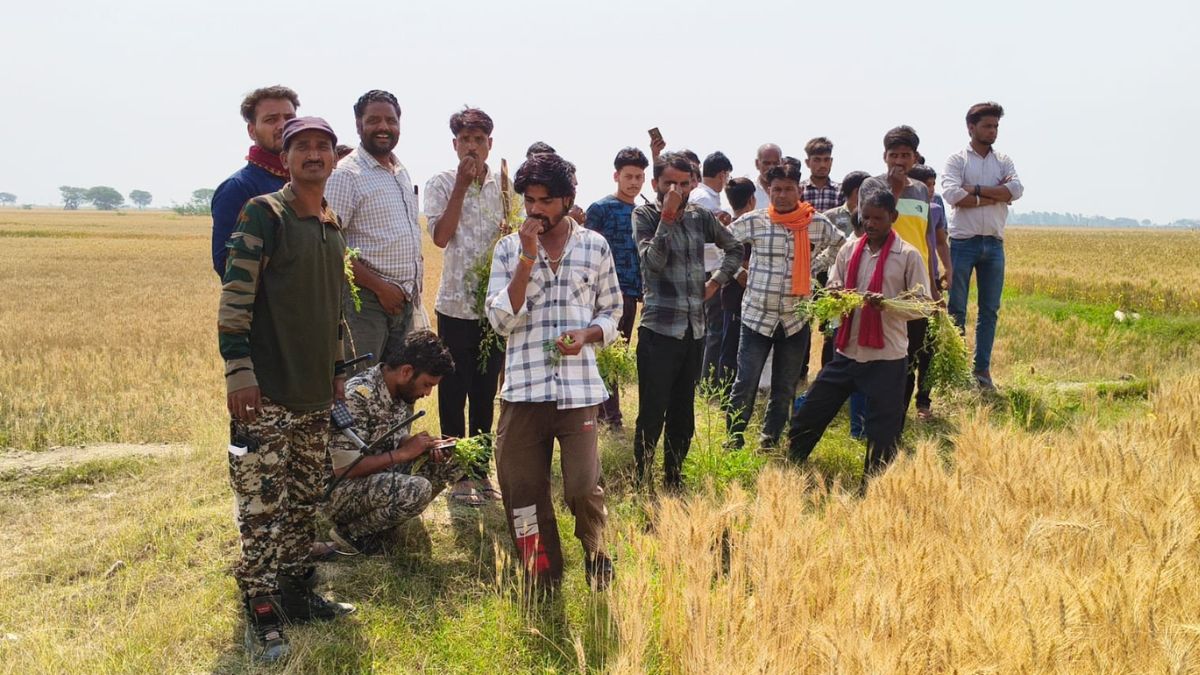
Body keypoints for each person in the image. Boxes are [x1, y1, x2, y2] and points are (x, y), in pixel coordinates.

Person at [218, 117, 354, 663]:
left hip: (315, 393)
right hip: (267, 391)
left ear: (332, 158)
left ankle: (297, 590)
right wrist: (238, 372)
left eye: (323, 146)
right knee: (261, 507)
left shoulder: (330, 221)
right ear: (286, 155)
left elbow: (334, 306)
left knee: (303, 502)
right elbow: (235, 299)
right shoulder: (263, 214)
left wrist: (341, 369)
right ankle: (261, 605)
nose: (315, 155)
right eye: (303, 147)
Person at [485, 153, 622, 593]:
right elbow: (502, 321)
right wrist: (526, 259)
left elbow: (613, 311)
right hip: (524, 390)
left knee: (583, 487)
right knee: (522, 493)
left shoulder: (595, 246)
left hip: (579, 389)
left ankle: (598, 555)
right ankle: (540, 576)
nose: (536, 210)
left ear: (567, 199)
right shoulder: (508, 250)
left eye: (546, 201)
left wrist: (588, 334)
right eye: (529, 201)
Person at [788, 191, 931, 490]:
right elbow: (833, 286)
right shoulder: (849, 250)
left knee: (883, 432)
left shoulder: (908, 255)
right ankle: (790, 470)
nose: (871, 223)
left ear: (893, 218)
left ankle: (874, 490)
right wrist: (837, 294)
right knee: (810, 413)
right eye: (866, 217)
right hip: (847, 352)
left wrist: (888, 304)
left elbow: (922, 305)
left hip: (887, 358)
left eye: (878, 218)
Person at [633, 152, 742, 489]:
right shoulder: (645, 215)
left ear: (694, 183)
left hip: (694, 331)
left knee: (684, 414)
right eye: (670, 183)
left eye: (683, 183)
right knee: (652, 413)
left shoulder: (700, 216)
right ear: (656, 185)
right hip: (659, 332)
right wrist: (667, 216)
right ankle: (643, 481)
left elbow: (735, 247)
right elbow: (651, 263)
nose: (677, 190)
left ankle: (674, 478)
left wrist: (716, 282)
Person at [726, 163, 844, 449]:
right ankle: (734, 439)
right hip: (757, 316)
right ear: (769, 190)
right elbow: (723, 243)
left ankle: (770, 439)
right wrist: (737, 272)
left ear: (799, 190)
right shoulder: (755, 221)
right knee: (746, 382)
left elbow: (840, 244)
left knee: (785, 386)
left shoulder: (815, 223)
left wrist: (815, 267)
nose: (781, 195)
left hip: (795, 319)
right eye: (776, 189)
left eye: (788, 189)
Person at [424, 107, 506, 506]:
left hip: (494, 307)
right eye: (465, 140)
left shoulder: (505, 187)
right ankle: (457, 474)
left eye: (479, 140)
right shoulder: (440, 183)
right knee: (453, 391)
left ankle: (481, 470)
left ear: (490, 143)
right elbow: (441, 237)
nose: (472, 147)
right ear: (455, 145)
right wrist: (460, 185)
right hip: (455, 304)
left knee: (485, 389)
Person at [325, 331, 461, 555]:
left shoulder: (399, 392)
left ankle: (383, 522)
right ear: (406, 371)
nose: (427, 393)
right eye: (427, 384)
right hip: (341, 492)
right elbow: (343, 469)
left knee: (453, 459)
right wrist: (403, 454)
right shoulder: (357, 396)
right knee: (417, 490)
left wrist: (424, 445)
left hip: (375, 478)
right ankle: (352, 534)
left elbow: (392, 440)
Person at [326, 90, 423, 371]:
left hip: (403, 302)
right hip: (365, 303)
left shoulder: (400, 170)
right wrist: (380, 288)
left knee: (396, 388)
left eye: (391, 121)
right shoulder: (345, 175)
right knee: (362, 385)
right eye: (374, 120)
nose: (384, 128)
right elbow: (332, 246)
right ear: (359, 125)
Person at [942, 101, 1024, 391]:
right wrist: (993, 196)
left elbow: (1016, 190)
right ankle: (954, 370)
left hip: (994, 243)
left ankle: (982, 371)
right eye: (988, 126)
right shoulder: (956, 160)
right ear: (971, 127)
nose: (993, 131)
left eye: (996, 126)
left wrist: (974, 190)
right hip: (962, 242)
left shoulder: (1003, 160)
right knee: (957, 310)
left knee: (989, 310)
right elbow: (951, 194)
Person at [858, 126, 934, 427]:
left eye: (906, 155)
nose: (900, 161)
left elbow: (925, 236)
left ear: (915, 157)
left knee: (912, 351)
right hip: (881, 280)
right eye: (894, 155)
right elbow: (861, 227)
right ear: (884, 156)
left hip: (916, 283)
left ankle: (898, 416)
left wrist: (933, 278)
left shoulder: (922, 191)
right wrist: (895, 190)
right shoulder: (871, 186)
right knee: (880, 352)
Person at [585, 147, 650, 428]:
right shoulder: (600, 209)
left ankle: (606, 414)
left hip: (631, 294)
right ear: (616, 176)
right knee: (604, 352)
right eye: (628, 176)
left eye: (639, 177)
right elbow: (588, 253)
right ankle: (609, 417)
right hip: (605, 294)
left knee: (617, 355)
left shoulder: (642, 212)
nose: (633, 182)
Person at [210, 85, 299, 276]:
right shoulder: (238, 188)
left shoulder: (306, 181)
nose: (282, 125)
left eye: (289, 118)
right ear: (252, 131)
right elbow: (226, 264)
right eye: (271, 119)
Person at [822, 170, 872, 438]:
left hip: (863, 323)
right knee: (842, 375)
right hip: (845, 320)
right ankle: (803, 405)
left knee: (855, 378)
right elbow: (834, 283)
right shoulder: (850, 249)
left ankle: (858, 429)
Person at [689, 151, 735, 386]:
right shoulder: (705, 199)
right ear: (722, 174)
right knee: (714, 330)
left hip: (703, 268)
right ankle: (708, 382)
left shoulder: (702, 195)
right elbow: (703, 239)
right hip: (708, 270)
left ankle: (701, 378)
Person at [716, 177, 757, 389]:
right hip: (740, 296)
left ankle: (729, 391)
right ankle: (728, 393)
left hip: (732, 297)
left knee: (730, 345)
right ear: (752, 200)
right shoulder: (753, 228)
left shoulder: (728, 227)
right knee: (737, 347)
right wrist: (742, 271)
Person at [800, 137, 844, 212]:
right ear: (807, 163)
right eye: (817, 160)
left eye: (826, 160)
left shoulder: (841, 191)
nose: (822, 165)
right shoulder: (799, 190)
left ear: (831, 161)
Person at [752, 143, 783, 211]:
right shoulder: (749, 192)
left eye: (775, 163)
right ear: (757, 163)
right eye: (766, 163)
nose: (771, 167)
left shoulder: (790, 190)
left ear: (782, 163)